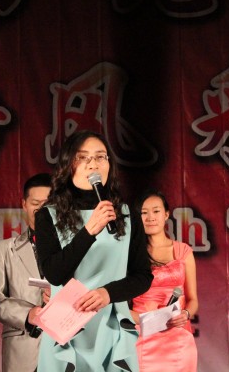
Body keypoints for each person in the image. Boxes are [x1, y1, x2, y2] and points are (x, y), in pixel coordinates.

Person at [34, 130, 153, 372]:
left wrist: (107, 293)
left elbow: (142, 276)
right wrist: (89, 231)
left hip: (110, 325)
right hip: (67, 325)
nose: (93, 164)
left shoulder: (127, 215)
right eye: (83, 157)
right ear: (68, 165)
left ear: (109, 165)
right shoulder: (48, 215)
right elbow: (54, 273)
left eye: (100, 157)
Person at [0, 173, 52, 372]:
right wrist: (27, 314)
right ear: (24, 204)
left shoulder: (73, 247)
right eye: (35, 203)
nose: (40, 210)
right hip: (23, 351)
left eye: (47, 204)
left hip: (65, 349)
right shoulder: (6, 249)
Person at [130, 190, 198, 371]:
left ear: (166, 214)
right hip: (142, 334)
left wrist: (186, 314)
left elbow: (193, 299)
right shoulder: (130, 255)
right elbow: (119, 302)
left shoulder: (183, 251)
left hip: (178, 336)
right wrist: (141, 319)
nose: (150, 218)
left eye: (156, 211)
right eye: (144, 213)